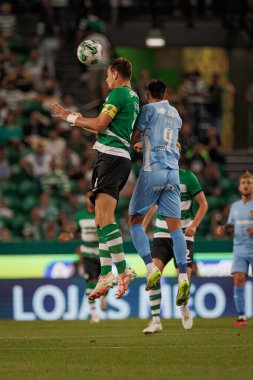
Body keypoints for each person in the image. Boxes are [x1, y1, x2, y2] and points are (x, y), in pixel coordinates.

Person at [51, 57, 140, 300]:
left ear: (116, 74)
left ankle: (122, 271)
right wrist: (79, 121)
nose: (106, 80)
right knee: (101, 220)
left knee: (104, 218)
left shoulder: (118, 95)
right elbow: (105, 127)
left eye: (107, 75)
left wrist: (70, 117)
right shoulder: (132, 97)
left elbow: (100, 125)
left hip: (110, 158)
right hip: (117, 157)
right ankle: (104, 275)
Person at [128, 79, 190, 304]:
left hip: (152, 170)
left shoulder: (147, 109)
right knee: (176, 229)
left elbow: (134, 135)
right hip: (173, 172)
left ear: (147, 95)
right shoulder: (175, 113)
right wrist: (144, 144)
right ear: (166, 93)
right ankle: (183, 276)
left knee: (134, 223)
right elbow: (166, 138)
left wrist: (134, 143)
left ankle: (150, 267)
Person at [141, 165, 208, 333]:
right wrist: (141, 226)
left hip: (183, 234)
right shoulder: (158, 177)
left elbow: (203, 204)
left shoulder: (188, 177)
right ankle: (156, 320)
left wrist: (194, 225)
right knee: (153, 275)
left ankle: (183, 308)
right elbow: (153, 205)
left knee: (184, 279)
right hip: (161, 234)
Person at [59, 192, 106, 323]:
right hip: (87, 254)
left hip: (102, 253)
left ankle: (103, 297)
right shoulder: (80, 216)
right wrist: (68, 236)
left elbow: (115, 232)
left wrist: (103, 236)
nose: (90, 201)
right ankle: (94, 314)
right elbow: (77, 232)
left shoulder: (103, 215)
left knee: (104, 282)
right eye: (88, 198)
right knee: (90, 282)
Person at [217, 171, 253, 326]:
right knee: (238, 280)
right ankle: (241, 316)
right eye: (243, 183)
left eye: (249, 183)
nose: (246, 186)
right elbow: (230, 226)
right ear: (239, 187)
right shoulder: (235, 206)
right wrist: (223, 229)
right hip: (239, 249)